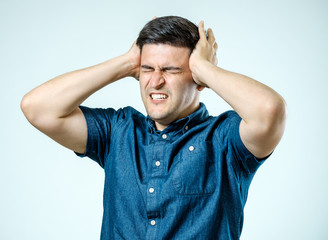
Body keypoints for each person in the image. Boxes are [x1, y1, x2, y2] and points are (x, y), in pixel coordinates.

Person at [21, 16, 286, 239]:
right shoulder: (117, 131)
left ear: (199, 79)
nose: (155, 81)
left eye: (170, 70)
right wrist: (126, 63)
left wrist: (204, 67)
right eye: (147, 69)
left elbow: (269, 111)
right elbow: (37, 107)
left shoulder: (224, 140)